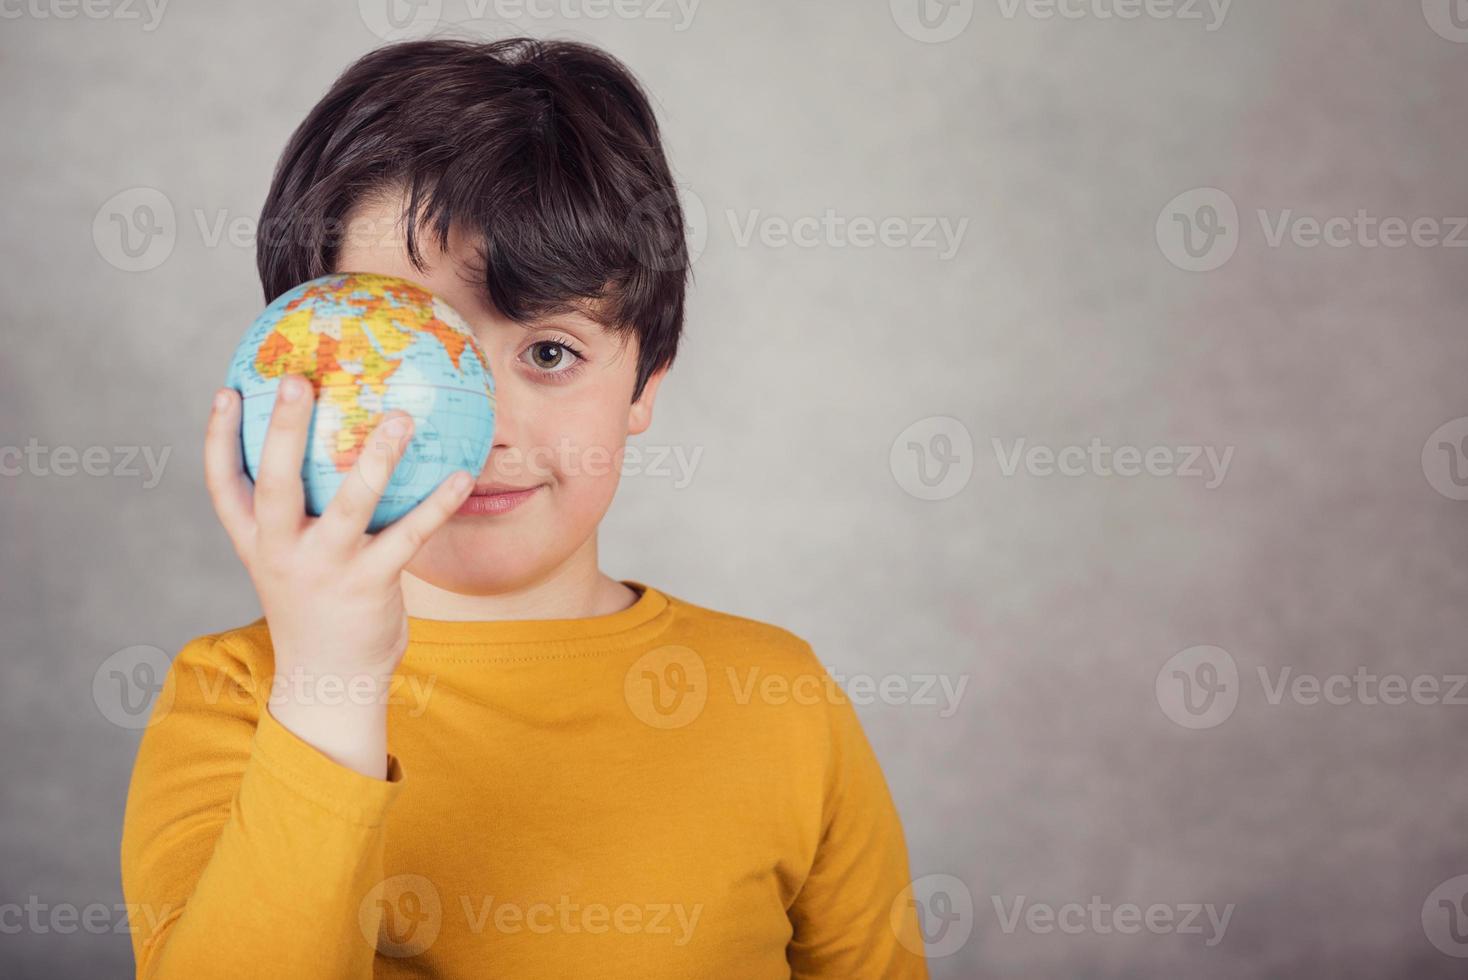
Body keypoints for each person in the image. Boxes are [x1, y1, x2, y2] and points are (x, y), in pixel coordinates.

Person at [120, 37, 928, 979]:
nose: (483, 430)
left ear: (644, 383)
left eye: (549, 353)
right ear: (287, 368)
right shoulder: (236, 699)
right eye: (413, 351)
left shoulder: (781, 699)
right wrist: (330, 689)